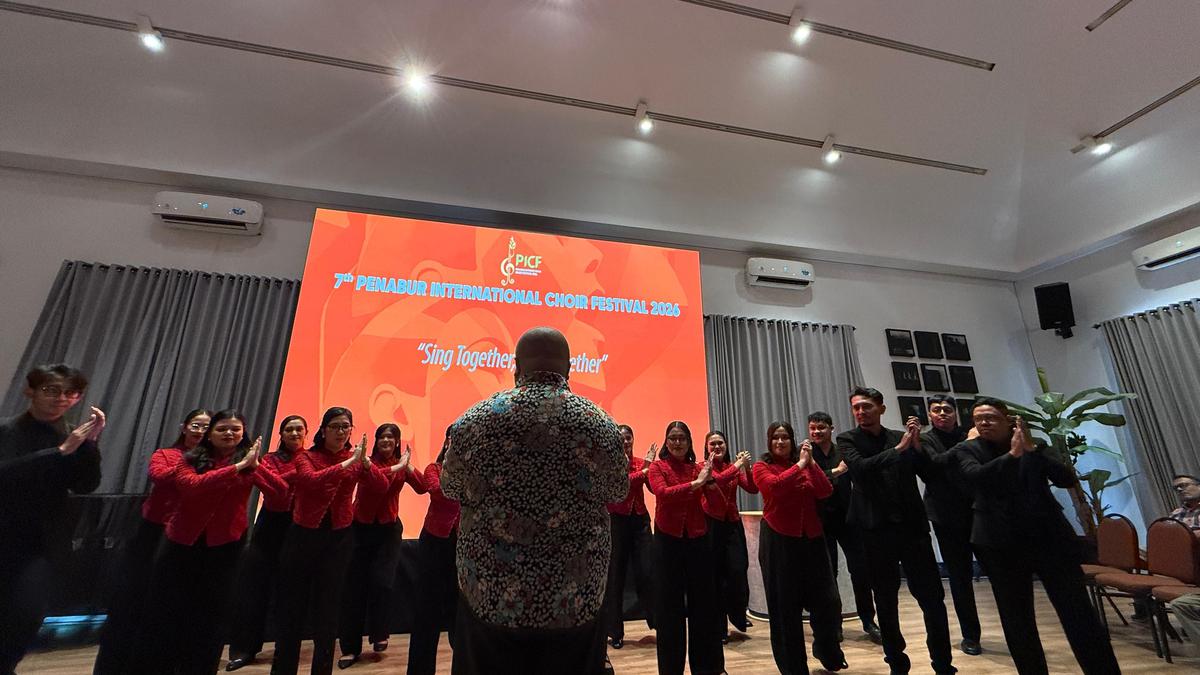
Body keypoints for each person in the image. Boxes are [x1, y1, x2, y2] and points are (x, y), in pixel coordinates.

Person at [442, 327, 626, 675]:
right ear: (569, 367)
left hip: (490, 593)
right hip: (574, 599)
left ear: (516, 367)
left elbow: (450, 487)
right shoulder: (601, 424)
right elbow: (617, 492)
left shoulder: (474, 419)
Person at [956, 397, 1120, 675]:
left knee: (1079, 614)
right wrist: (1012, 456)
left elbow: (1066, 479)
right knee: (1017, 620)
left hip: (1050, 539)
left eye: (991, 418)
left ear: (1008, 421)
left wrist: (1031, 450)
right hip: (1000, 544)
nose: (984, 423)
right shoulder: (967, 449)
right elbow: (977, 478)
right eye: (978, 419)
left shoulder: (1034, 446)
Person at [133, 409, 285, 674]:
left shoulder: (249, 462)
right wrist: (237, 468)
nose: (229, 434)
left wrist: (257, 466)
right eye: (222, 429)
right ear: (210, 434)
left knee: (212, 616)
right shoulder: (190, 458)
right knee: (168, 612)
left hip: (225, 547)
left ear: (243, 434)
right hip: (182, 544)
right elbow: (192, 486)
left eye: (235, 429)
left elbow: (281, 494)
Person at [837, 386, 955, 675]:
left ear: (881, 408)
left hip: (912, 528)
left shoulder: (900, 437)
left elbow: (930, 474)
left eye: (866, 406)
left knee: (932, 598)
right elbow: (861, 468)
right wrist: (900, 449)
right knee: (886, 600)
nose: (861, 412)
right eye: (856, 408)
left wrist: (915, 447)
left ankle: (943, 663)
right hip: (874, 530)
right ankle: (897, 664)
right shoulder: (847, 439)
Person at [0, 364, 103, 674]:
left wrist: (90, 445)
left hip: (44, 544)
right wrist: (60, 452)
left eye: (71, 393)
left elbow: (86, 485)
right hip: (4, 533)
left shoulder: (72, 435)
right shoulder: (7, 430)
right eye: (51, 390)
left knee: (27, 614)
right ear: (30, 391)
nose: (61, 399)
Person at [94, 407, 211, 675]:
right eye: (196, 425)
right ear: (184, 427)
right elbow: (159, 476)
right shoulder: (166, 455)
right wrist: (189, 466)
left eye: (206, 427)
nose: (201, 431)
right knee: (137, 600)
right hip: (153, 534)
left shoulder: (213, 463)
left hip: (189, 537)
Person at [272, 407, 372, 675]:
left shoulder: (354, 457)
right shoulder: (307, 456)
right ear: (323, 430)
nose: (341, 432)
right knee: (292, 609)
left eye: (346, 427)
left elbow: (380, 485)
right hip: (303, 537)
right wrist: (347, 465)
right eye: (336, 426)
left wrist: (367, 464)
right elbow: (309, 481)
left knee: (328, 611)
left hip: (339, 539)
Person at [753, 421, 845, 674]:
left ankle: (827, 651)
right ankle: (793, 668)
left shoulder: (806, 464)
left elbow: (825, 491)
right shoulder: (762, 466)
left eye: (785, 438)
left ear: (793, 441)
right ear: (769, 442)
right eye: (776, 438)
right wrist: (801, 465)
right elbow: (775, 488)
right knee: (785, 611)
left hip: (813, 539)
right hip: (779, 541)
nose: (781, 442)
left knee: (828, 603)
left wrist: (812, 464)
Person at [225, 414, 309, 671]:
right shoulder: (271, 459)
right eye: (289, 430)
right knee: (254, 589)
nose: (295, 434)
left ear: (306, 433)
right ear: (281, 434)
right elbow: (276, 488)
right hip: (271, 526)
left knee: (290, 593)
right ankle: (245, 649)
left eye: (299, 430)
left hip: (300, 527)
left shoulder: (311, 459)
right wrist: (296, 475)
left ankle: (285, 651)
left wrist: (257, 466)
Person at [646, 420, 727, 675]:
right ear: (666, 442)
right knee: (669, 611)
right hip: (667, 541)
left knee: (704, 608)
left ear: (690, 442)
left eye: (682, 438)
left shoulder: (698, 469)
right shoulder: (658, 467)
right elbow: (663, 493)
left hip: (697, 540)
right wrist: (696, 484)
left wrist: (710, 483)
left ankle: (708, 668)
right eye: (673, 438)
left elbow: (719, 508)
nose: (678, 442)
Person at [337, 423, 413, 668]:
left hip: (388, 530)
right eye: (382, 437)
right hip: (360, 529)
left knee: (382, 583)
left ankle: (379, 632)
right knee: (354, 588)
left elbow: (424, 487)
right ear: (376, 441)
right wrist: (398, 467)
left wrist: (409, 466)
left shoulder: (403, 465)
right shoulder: (364, 462)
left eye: (391, 437)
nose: (386, 441)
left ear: (398, 441)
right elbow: (379, 483)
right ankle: (349, 648)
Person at [807, 411, 880, 644]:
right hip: (821, 521)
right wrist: (836, 472)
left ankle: (868, 620)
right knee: (829, 576)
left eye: (821, 428)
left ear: (831, 428)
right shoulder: (807, 454)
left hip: (850, 519)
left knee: (861, 571)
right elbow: (809, 482)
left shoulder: (843, 450)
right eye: (813, 428)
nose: (817, 432)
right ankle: (834, 624)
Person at [920, 395, 982, 656]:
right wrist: (968, 444)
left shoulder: (971, 434)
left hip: (979, 512)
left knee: (1002, 574)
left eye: (947, 409)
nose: (942, 414)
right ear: (930, 414)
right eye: (936, 410)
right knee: (959, 578)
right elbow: (935, 464)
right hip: (946, 516)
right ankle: (971, 636)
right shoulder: (925, 439)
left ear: (956, 413)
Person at [405, 427, 462, 675]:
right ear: (446, 442)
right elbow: (438, 492)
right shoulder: (433, 469)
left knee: (459, 614)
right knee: (426, 611)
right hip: (434, 542)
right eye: (452, 439)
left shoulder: (473, 472)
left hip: (461, 545)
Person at [602, 424, 656, 650]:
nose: (625, 442)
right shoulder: (610, 464)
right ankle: (615, 632)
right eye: (621, 438)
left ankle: (658, 623)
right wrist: (643, 471)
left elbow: (653, 488)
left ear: (633, 439)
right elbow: (619, 486)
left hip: (640, 519)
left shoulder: (640, 462)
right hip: (617, 521)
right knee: (615, 577)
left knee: (648, 571)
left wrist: (649, 470)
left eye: (628, 438)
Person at [700, 430, 756, 642]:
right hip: (711, 524)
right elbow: (719, 480)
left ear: (726, 445)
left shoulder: (732, 466)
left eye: (720, 443)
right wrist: (738, 466)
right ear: (706, 447)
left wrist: (748, 468)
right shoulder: (703, 467)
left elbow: (752, 488)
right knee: (715, 576)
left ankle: (737, 614)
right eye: (712, 444)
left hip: (732, 523)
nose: (716, 447)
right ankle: (719, 627)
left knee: (737, 569)